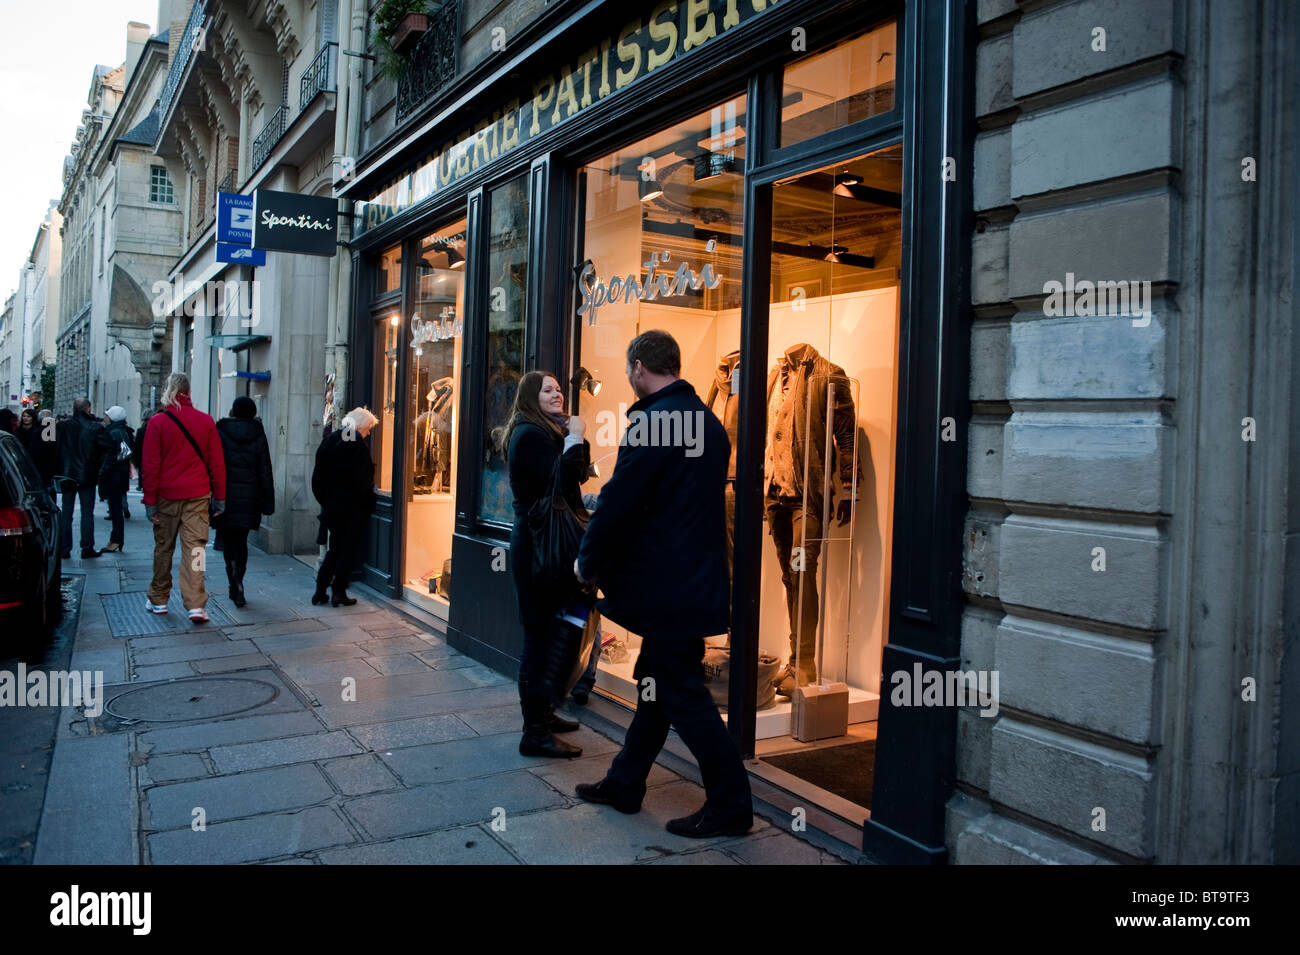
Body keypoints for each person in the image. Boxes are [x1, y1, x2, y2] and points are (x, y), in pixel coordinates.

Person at [574, 330, 753, 839]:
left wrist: (587, 560)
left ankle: (732, 805)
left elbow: (618, 501)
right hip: (696, 584)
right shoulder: (710, 424)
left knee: (683, 693)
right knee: (656, 683)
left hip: (666, 589)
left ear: (637, 369)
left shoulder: (653, 423)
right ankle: (625, 783)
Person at [503, 370, 592, 759]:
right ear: (530, 396)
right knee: (540, 638)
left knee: (560, 631)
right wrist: (575, 436)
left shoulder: (545, 431)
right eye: (548, 389)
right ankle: (534, 732)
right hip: (539, 548)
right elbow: (563, 479)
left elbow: (576, 479)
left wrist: (572, 438)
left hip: (549, 543)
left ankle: (545, 711)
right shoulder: (529, 435)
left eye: (558, 388)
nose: (557, 394)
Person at [142, 373, 226, 623]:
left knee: (163, 549)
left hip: (166, 495)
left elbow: (150, 465)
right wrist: (220, 497)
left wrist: (150, 501)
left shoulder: (158, 422)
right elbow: (217, 464)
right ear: (188, 392)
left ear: (169, 390)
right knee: (196, 550)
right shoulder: (205, 421)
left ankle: (158, 598)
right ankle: (196, 604)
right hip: (198, 496)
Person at [311, 407, 377, 607]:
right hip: (351, 509)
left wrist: (326, 501)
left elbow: (317, 479)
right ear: (359, 427)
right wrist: (367, 498)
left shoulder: (332, 440)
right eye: (367, 430)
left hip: (333, 508)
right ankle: (338, 591)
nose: (368, 434)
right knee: (346, 551)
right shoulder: (353, 443)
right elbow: (361, 480)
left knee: (335, 550)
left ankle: (320, 590)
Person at [215, 396, 275, 607]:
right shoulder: (258, 433)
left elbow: (213, 466)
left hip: (226, 498)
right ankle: (239, 579)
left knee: (229, 542)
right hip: (250, 498)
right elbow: (265, 470)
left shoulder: (220, 431)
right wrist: (268, 503)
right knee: (241, 541)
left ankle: (234, 581)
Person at [57, 396, 115, 559]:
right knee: (87, 512)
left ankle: (64, 547)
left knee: (66, 512)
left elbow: (52, 446)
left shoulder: (62, 426)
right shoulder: (94, 428)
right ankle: (87, 547)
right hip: (87, 474)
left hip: (67, 473)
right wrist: (100, 467)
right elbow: (109, 447)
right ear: (88, 409)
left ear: (73, 409)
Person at [98, 406, 134, 553]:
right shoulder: (121, 431)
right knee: (115, 508)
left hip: (115, 475)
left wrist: (105, 470)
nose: (104, 418)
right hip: (119, 474)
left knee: (115, 509)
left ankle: (116, 540)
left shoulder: (115, 432)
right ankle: (116, 540)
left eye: (107, 416)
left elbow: (119, 454)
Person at [23, 409, 59, 491]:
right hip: (50, 469)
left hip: (39, 468)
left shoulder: (37, 431)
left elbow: (33, 451)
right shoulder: (55, 431)